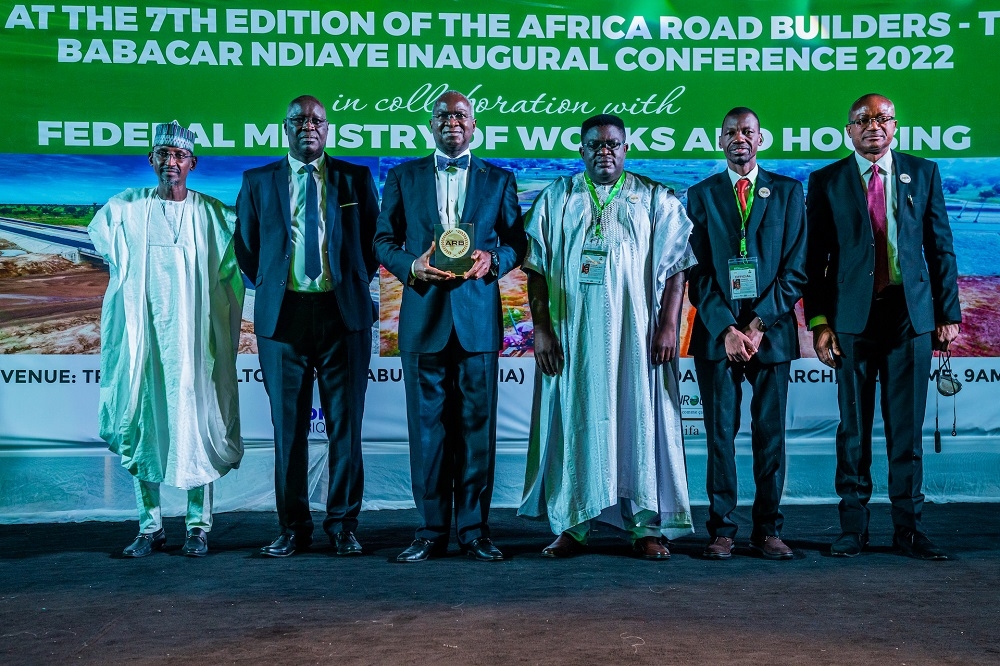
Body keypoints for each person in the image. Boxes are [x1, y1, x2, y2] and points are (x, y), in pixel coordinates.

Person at [517, 113, 696, 560]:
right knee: (575, 420)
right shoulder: (557, 198)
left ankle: (645, 525)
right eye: (595, 145)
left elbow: (677, 268)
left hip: (637, 338)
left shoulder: (653, 197)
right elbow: (535, 270)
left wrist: (669, 326)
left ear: (626, 148)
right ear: (581, 150)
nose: (604, 152)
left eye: (613, 144)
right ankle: (572, 524)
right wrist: (540, 331)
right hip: (571, 336)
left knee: (639, 419)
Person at [805, 93, 962, 560]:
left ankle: (909, 530)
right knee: (853, 430)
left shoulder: (923, 172)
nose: (874, 126)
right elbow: (815, 263)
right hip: (851, 322)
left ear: (895, 126)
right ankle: (853, 529)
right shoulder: (827, 180)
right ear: (848, 131)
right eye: (863, 120)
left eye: (883, 118)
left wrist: (947, 313)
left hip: (909, 318)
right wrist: (819, 322)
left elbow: (941, 248)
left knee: (906, 431)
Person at [374, 90, 526, 562]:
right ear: (431, 124)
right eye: (443, 115)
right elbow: (382, 240)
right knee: (427, 431)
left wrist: (494, 258)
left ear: (474, 125)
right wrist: (409, 266)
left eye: (460, 115)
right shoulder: (403, 176)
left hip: (478, 321)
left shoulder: (498, 179)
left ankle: (475, 531)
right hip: (424, 317)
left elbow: (517, 241)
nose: (452, 122)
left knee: (477, 430)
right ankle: (429, 530)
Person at [89, 121, 244, 558]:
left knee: (197, 424)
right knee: (145, 424)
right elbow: (103, 239)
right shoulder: (127, 208)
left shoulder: (213, 214)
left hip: (195, 347)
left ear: (192, 163)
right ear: (151, 160)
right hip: (146, 345)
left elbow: (231, 277)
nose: (170, 163)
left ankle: (198, 525)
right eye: (163, 154)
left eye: (178, 156)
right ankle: (149, 525)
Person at [235, 95, 380, 558]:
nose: (308, 126)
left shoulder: (354, 178)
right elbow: (247, 249)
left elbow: (373, 244)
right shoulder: (258, 181)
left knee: (345, 428)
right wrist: (281, 286)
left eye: (317, 120)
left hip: (344, 317)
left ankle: (342, 525)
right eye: (299, 119)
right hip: (284, 319)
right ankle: (293, 528)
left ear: (328, 128)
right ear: (286, 128)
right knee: (289, 431)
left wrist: (349, 283)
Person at [687, 107, 807, 560]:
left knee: (769, 434)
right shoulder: (700, 195)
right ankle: (722, 529)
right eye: (731, 132)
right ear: (720, 141)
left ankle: (768, 529)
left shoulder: (790, 192)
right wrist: (728, 330)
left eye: (748, 132)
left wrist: (755, 326)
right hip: (719, 337)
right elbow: (695, 273)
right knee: (720, 435)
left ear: (761, 138)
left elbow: (797, 271)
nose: (740, 138)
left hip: (770, 334)